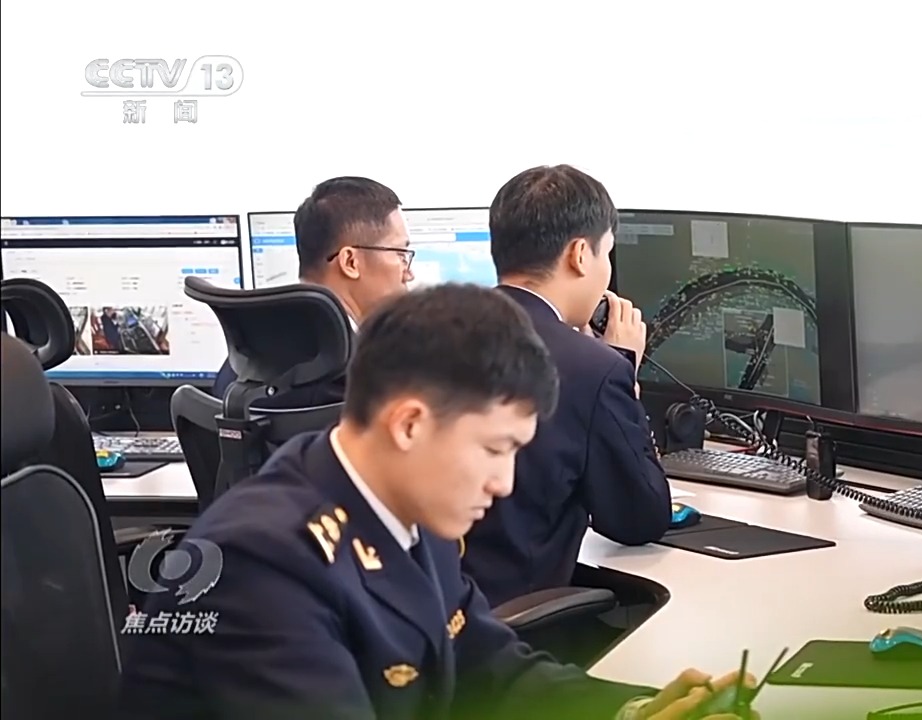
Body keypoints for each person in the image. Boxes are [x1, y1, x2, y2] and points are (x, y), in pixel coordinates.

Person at [115, 284, 754, 720]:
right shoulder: (263, 571)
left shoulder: (404, 510)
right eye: (495, 449)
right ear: (411, 425)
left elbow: (486, 664)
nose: (503, 482)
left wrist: (631, 710)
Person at [467, 164, 671, 608]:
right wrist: (620, 365)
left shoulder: (430, 333)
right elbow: (639, 519)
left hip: (426, 611)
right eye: (606, 254)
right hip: (508, 625)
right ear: (580, 255)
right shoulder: (591, 367)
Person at [211, 176, 413, 405]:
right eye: (400, 254)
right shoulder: (365, 383)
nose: (409, 274)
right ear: (350, 262)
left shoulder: (244, 359)